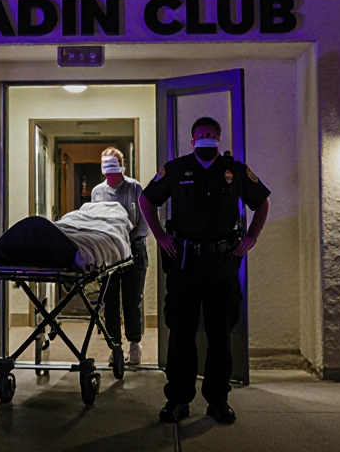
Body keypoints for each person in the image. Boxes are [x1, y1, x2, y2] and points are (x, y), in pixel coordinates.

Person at [140, 116, 271, 425]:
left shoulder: (235, 171)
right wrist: (160, 236)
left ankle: (218, 399)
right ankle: (177, 400)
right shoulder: (175, 169)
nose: (206, 138)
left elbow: (262, 203)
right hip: (185, 263)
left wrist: (252, 237)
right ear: (192, 140)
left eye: (211, 134)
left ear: (219, 138)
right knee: (181, 333)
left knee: (220, 334)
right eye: (201, 134)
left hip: (222, 264)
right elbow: (146, 200)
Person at [90, 147, 148, 365]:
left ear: (122, 168)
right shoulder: (98, 191)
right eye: (108, 172)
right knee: (110, 301)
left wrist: (126, 239)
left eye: (115, 171)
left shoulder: (134, 188)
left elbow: (143, 222)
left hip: (133, 248)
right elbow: (94, 219)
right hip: (109, 252)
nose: (111, 177)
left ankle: (135, 343)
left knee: (132, 300)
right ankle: (115, 346)